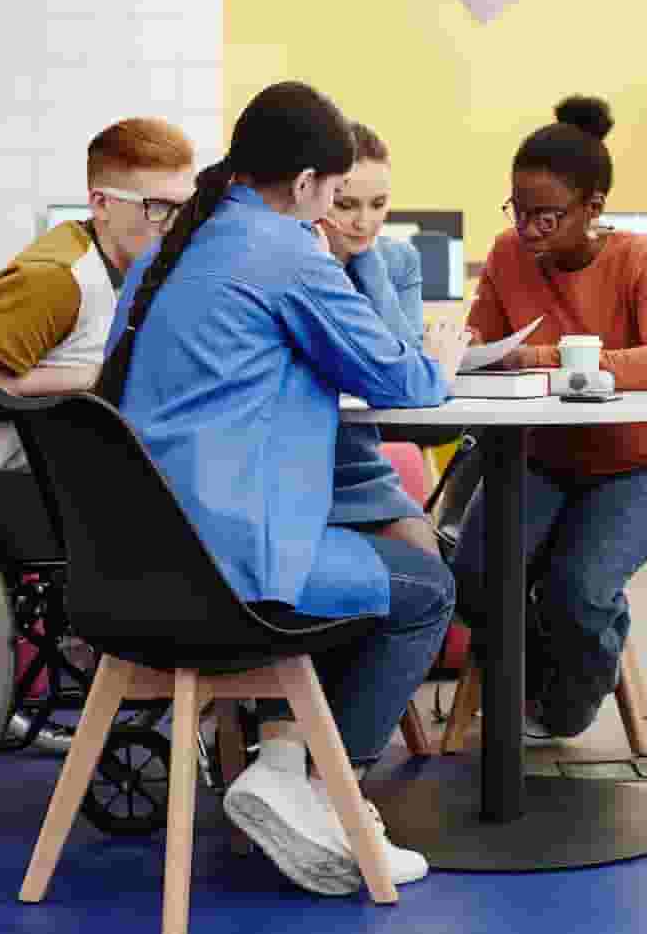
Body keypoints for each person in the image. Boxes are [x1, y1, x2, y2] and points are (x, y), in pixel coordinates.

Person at [102, 82, 469, 895]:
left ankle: (282, 762)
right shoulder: (284, 251)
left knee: (365, 556)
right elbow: (399, 377)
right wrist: (439, 358)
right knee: (422, 586)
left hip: (131, 564)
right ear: (304, 185)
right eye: (337, 196)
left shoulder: (172, 248)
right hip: (228, 570)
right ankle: (323, 796)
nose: (339, 215)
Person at [450, 95, 647, 743]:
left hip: (640, 468)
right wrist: (453, 348)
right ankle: (550, 661)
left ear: (592, 207)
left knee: (576, 592)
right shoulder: (508, 255)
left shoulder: (642, 259)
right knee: (475, 577)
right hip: (540, 459)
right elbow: (482, 343)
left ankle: (565, 694)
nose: (528, 230)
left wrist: (537, 357)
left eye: (545, 216)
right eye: (519, 212)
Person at [0, 116, 196, 476]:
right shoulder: (55, 277)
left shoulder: (132, 271)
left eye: (185, 208)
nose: (175, 226)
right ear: (101, 204)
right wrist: (89, 378)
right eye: (158, 207)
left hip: (57, 475)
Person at [320, 120, 439, 556]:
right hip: (305, 455)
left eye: (378, 204)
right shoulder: (295, 258)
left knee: (428, 554)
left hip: (360, 458)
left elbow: (404, 361)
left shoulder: (399, 259)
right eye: (347, 204)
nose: (363, 220)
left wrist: (368, 258)